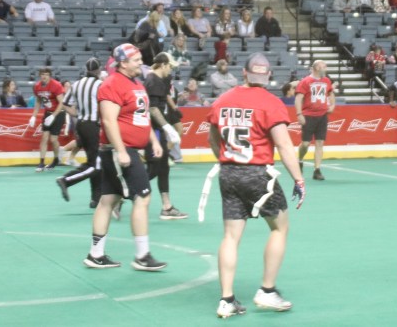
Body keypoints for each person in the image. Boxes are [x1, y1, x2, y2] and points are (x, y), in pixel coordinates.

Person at [207, 53, 306, 318]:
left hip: (229, 172)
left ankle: (226, 299)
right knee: (279, 228)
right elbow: (284, 145)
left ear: (244, 73)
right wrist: (298, 179)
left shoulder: (222, 101)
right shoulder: (271, 104)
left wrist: (226, 161)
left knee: (230, 236)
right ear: (268, 75)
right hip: (258, 174)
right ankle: (267, 290)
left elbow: (213, 139)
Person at [84, 43, 166, 271]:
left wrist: (153, 140)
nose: (141, 62)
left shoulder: (136, 83)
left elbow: (141, 116)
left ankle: (96, 254)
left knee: (108, 200)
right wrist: (120, 150)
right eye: (136, 60)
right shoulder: (111, 84)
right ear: (123, 63)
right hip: (120, 149)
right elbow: (109, 120)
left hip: (125, 148)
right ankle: (142, 255)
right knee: (143, 197)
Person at [56, 57, 105, 207]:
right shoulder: (100, 84)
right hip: (93, 125)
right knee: (95, 165)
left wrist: (77, 114)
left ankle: (95, 199)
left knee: (94, 161)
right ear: (98, 70)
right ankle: (66, 180)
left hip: (81, 125)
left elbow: (65, 104)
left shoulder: (77, 84)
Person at [143, 53, 187, 219]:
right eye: (169, 66)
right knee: (154, 169)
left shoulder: (157, 79)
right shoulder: (153, 80)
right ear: (163, 65)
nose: (171, 69)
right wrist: (167, 127)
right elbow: (153, 109)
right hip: (152, 131)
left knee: (162, 168)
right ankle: (121, 193)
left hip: (156, 129)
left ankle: (167, 206)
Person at [295, 61, 336, 181]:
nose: (326, 68)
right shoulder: (305, 81)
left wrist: (332, 105)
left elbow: (331, 93)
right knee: (305, 143)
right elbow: (298, 98)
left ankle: (317, 170)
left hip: (322, 116)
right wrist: (299, 114)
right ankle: (299, 160)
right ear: (317, 68)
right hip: (308, 116)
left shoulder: (327, 81)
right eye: (324, 66)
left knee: (320, 142)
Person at [28, 68, 67, 171]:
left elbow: (61, 103)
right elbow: (38, 101)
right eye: (42, 74)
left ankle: (56, 159)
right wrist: (33, 116)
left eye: (46, 74)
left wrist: (53, 115)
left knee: (53, 139)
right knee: (44, 137)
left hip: (59, 113)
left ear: (49, 76)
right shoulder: (37, 86)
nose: (44, 76)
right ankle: (41, 162)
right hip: (47, 112)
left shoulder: (56, 85)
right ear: (39, 76)